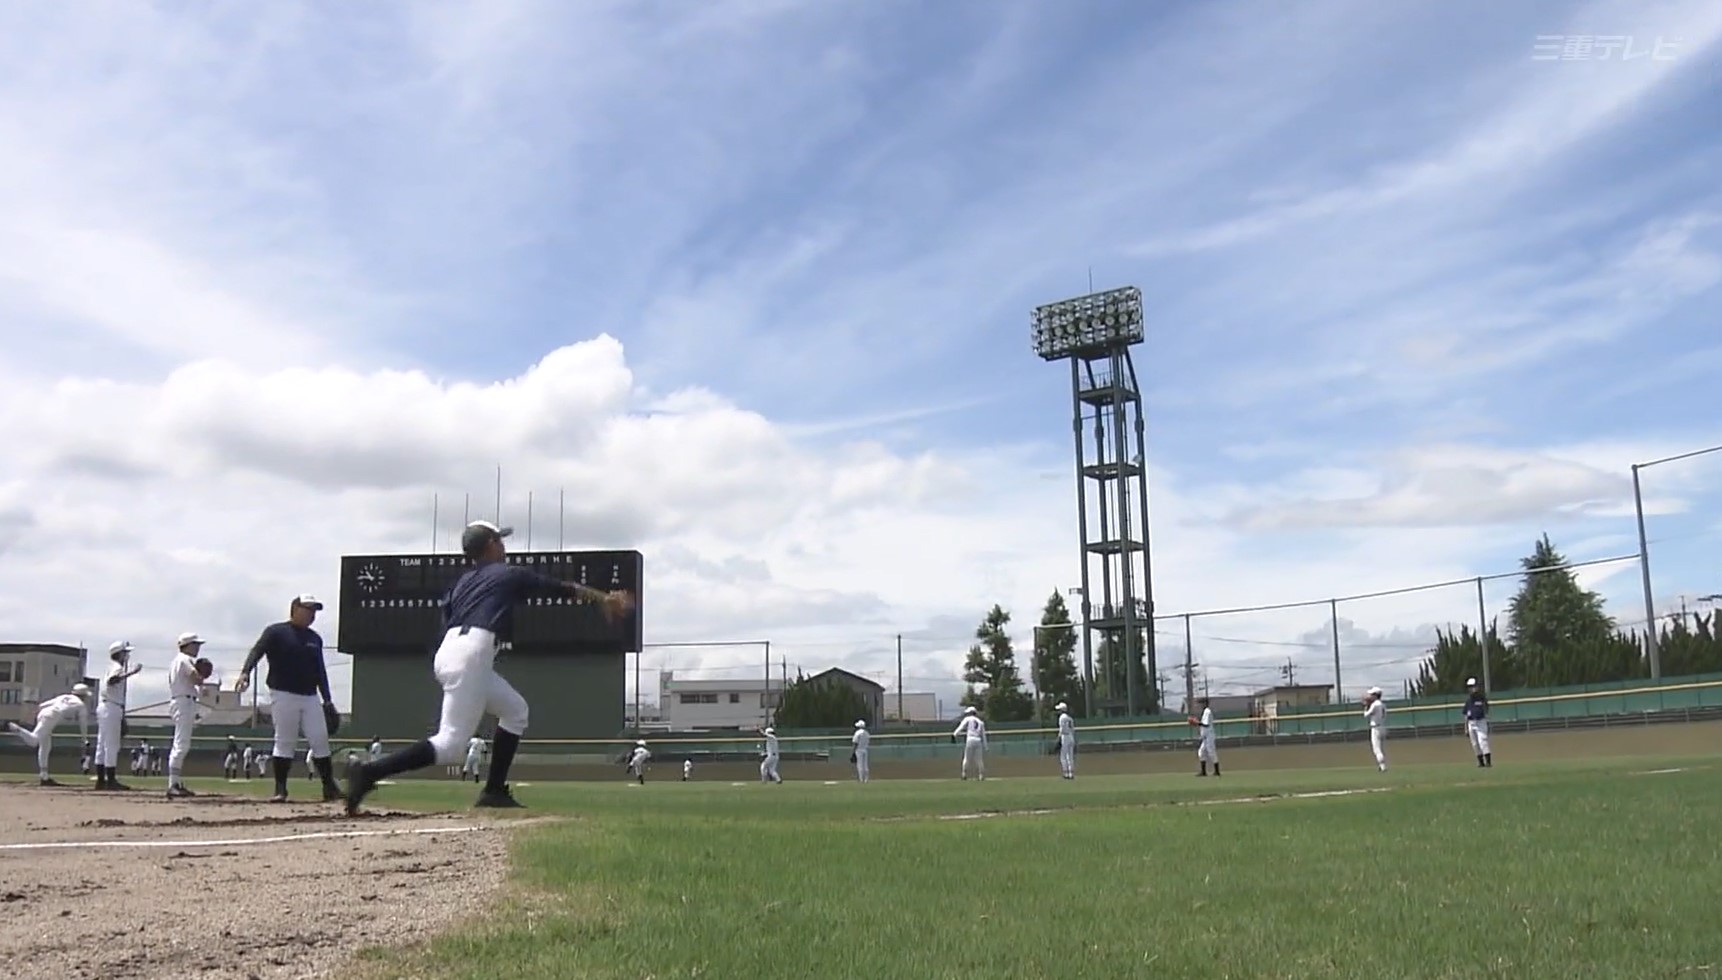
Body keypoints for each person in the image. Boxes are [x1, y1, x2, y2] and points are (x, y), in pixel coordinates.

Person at [345, 520, 634, 814]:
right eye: (500, 541)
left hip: (451, 651)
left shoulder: (462, 582)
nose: (504, 547)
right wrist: (604, 598)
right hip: (473, 652)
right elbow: (563, 588)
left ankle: (494, 790)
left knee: (515, 711)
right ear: (492, 544)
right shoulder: (507, 574)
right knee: (450, 745)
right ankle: (369, 773)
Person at [235, 595, 343, 803]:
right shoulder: (276, 632)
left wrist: (327, 699)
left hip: (310, 696)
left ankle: (329, 787)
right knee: (285, 740)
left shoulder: (314, 638)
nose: (312, 614)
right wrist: (245, 672)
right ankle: (280, 789)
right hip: (283, 693)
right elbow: (258, 650)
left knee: (320, 739)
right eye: (308, 609)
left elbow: (319, 670)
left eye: (314, 611)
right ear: (295, 608)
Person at [6, 683, 92, 786]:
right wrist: (84, 739)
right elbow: (83, 725)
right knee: (34, 741)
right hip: (52, 716)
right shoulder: (81, 705)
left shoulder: (64, 697)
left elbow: (42, 705)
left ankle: (44, 776)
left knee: (45, 746)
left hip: (44, 713)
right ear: (83, 696)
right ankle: (17, 729)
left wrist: (33, 714)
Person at [95, 641, 141, 791]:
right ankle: (111, 780)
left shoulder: (110, 667)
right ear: (119, 654)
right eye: (125, 652)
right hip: (111, 706)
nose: (127, 655)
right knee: (111, 745)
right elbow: (112, 681)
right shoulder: (117, 667)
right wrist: (131, 673)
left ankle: (101, 780)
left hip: (106, 706)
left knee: (102, 745)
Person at [166, 632, 206, 799]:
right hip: (184, 702)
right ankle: (173, 784)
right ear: (187, 645)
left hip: (182, 700)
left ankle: (175, 782)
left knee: (180, 744)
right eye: (195, 644)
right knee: (181, 745)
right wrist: (202, 675)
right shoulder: (184, 659)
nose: (198, 648)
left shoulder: (177, 660)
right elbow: (196, 678)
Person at [1463, 677, 1492, 768]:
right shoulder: (1468, 701)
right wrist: (1466, 728)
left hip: (1480, 722)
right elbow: (1465, 715)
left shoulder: (1481, 698)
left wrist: (1485, 715)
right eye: (1470, 687)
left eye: (1473, 686)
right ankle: (1480, 762)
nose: (1472, 688)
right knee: (1475, 743)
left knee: (1482, 740)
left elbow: (1486, 708)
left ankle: (1488, 761)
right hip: (1471, 723)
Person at [952, 706, 987, 780]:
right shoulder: (980, 722)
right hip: (978, 740)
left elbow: (961, 727)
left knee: (967, 758)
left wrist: (955, 734)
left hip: (970, 739)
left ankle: (964, 774)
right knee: (979, 759)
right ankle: (981, 775)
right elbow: (983, 735)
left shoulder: (968, 719)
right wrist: (985, 746)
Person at [1192, 697, 1220, 777]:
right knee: (1201, 752)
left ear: (1204, 703)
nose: (1199, 705)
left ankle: (1217, 771)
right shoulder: (1205, 712)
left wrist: (1196, 722)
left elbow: (1206, 724)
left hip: (1209, 735)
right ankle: (1203, 772)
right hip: (1205, 736)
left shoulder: (1207, 711)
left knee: (1211, 752)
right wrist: (1197, 723)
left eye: (1200, 703)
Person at [1363, 687, 1388, 772]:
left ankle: (1383, 767)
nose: (1370, 696)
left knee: (1377, 749)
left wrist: (1366, 706)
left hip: (1376, 728)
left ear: (1375, 695)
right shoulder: (1383, 704)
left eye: (1371, 695)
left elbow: (1366, 715)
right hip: (1382, 727)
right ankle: (1382, 765)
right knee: (1381, 748)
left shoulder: (1375, 704)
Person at [1055, 701, 1076, 780]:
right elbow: (1073, 729)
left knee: (1063, 756)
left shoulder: (1062, 718)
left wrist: (1058, 737)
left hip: (1065, 736)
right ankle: (1071, 773)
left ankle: (1066, 773)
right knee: (1070, 756)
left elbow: (1062, 729)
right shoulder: (1070, 718)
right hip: (1071, 736)